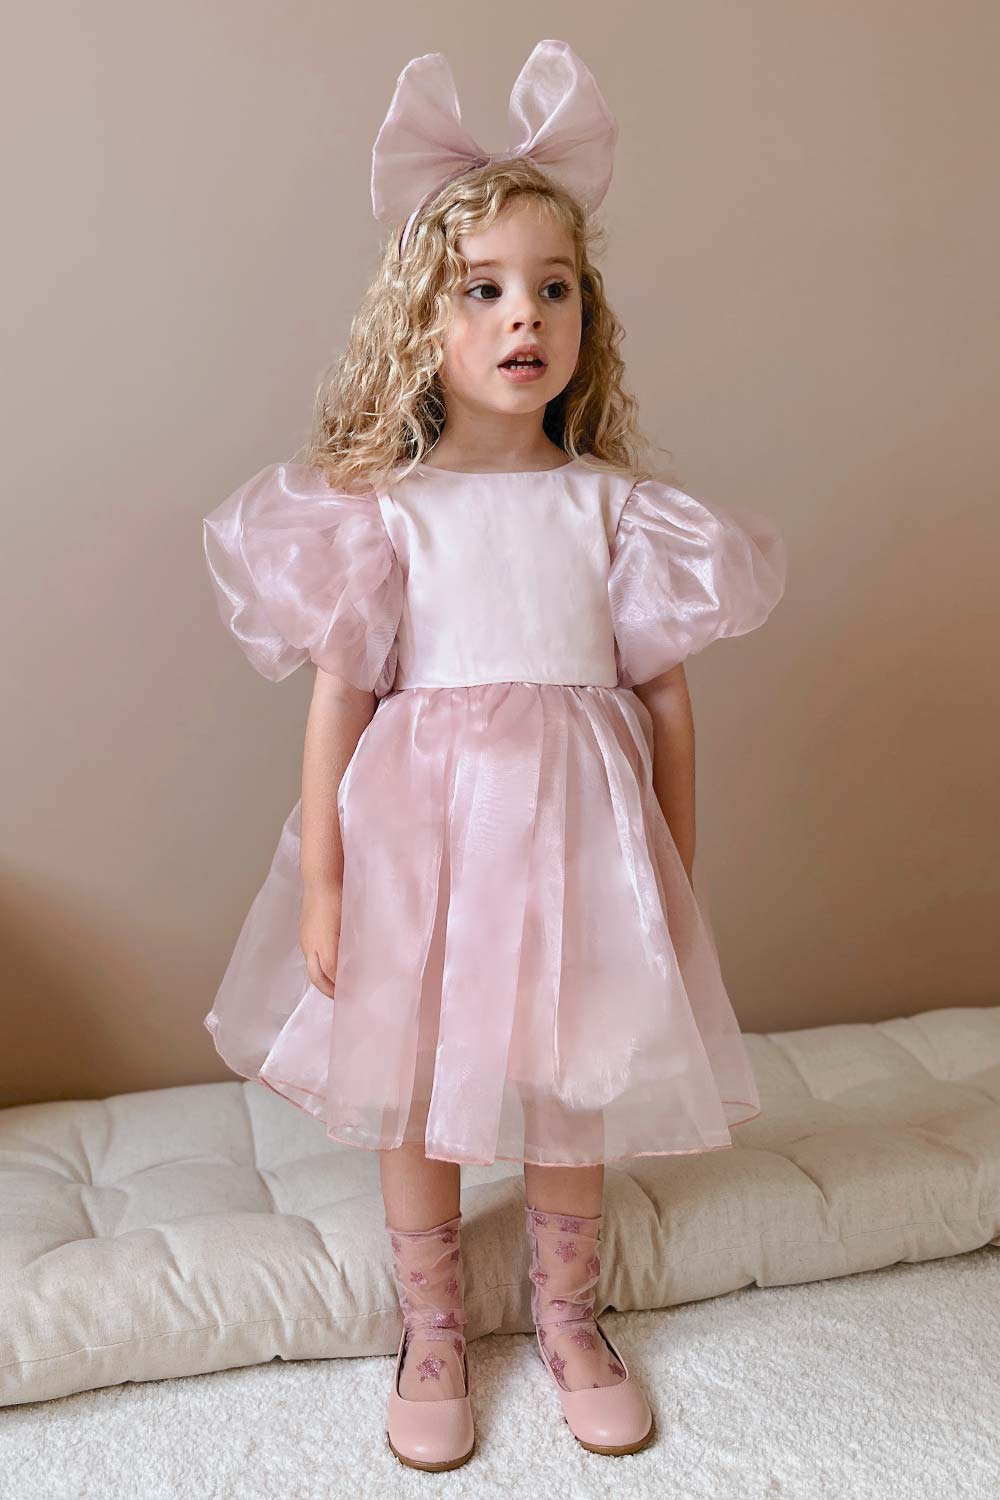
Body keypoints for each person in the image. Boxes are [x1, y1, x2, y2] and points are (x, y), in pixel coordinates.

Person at [201, 38, 787, 1473]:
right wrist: (328, 883)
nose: (525, 313)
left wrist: (675, 870)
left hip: (579, 846)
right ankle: (434, 1332)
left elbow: (665, 703)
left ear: (587, 315)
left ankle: (572, 1319)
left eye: (555, 286)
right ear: (423, 320)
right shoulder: (386, 511)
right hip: (424, 843)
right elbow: (340, 699)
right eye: (483, 288)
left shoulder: (616, 510)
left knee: (571, 1076)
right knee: (417, 1082)